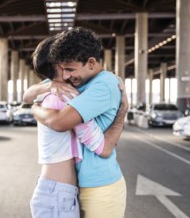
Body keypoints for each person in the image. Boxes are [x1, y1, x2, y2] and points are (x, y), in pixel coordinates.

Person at [24, 27, 127, 218]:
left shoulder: (103, 85)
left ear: (91, 63)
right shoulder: (74, 81)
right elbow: (28, 94)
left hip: (100, 185)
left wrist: (34, 109)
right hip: (77, 185)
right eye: (62, 70)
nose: (66, 76)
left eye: (69, 69)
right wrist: (47, 86)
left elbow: (60, 122)